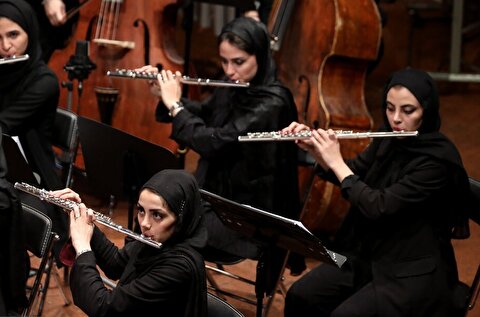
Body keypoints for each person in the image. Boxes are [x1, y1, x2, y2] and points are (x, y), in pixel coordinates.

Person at [282, 67, 470, 317]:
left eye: (408, 110)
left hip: (411, 271)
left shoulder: (437, 162)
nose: (396, 119)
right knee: (300, 296)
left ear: (427, 110)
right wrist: (317, 151)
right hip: (371, 254)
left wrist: (336, 162)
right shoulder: (389, 140)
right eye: (390, 108)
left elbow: (378, 206)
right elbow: (355, 172)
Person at [137, 16, 304, 275]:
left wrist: (176, 105)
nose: (229, 71)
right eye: (224, 61)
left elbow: (215, 143)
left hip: (247, 219)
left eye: (238, 62)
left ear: (260, 56)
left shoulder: (273, 102)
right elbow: (205, 114)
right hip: (213, 198)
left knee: (165, 226)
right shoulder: (235, 85)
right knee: (153, 215)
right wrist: (164, 95)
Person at [52, 169, 208, 316]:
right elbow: (115, 263)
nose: (145, 224)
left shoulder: (179, 268)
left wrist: (82, 248)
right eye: (141, 210)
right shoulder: (158, 240)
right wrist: (81, 214)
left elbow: (102, 307)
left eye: (157, 215)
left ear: (181, 219)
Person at [0, 0, 69, 262]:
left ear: (31, 31)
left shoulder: (45, 81)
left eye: (13, 35)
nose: (6, 47)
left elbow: (4, 125)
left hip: (31, 176)